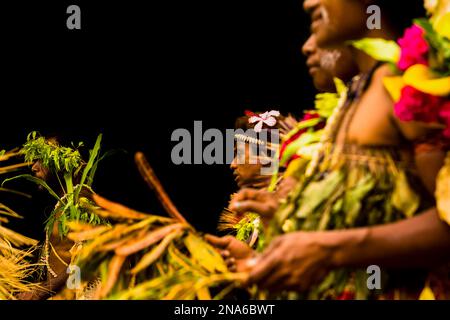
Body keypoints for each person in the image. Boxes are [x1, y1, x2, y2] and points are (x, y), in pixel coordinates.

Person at [215, 0, 449, 299]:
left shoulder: (411, 82)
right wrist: (267, 254)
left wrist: (328, 250)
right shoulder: (356, 96)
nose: (309, 2)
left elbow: (446, 221)